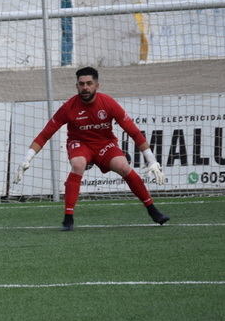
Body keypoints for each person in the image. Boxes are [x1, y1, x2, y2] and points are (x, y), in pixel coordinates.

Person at [14, 66, 169, 231]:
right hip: (80, 144)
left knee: (123, 166)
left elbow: (134, 132)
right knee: (78, 165)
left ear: (97, 85)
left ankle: (153, 210)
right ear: (77, 86)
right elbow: (44, 134)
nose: (85, 87)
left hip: (105, 144)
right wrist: (27, 158)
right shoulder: (68, 107)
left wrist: (151, 160)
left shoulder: (108, 103)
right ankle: (68, 219)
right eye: (81, 84)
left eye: (89, 83)